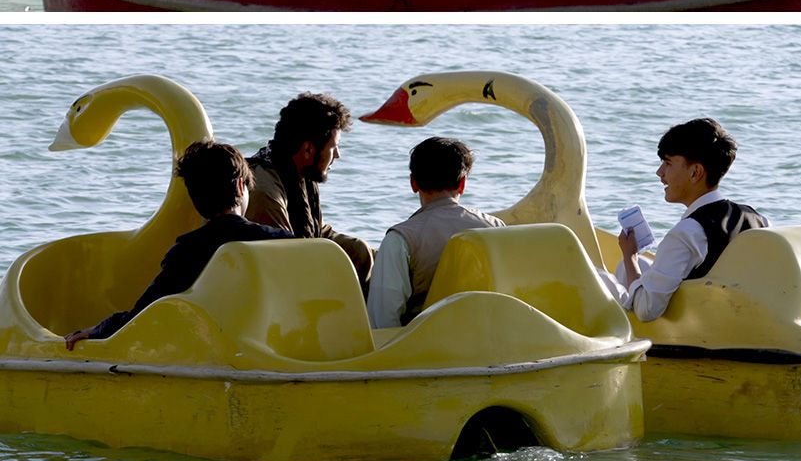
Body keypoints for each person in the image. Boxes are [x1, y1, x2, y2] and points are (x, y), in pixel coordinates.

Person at [65, 140, 298, 350]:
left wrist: (97, 331)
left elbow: (144, 314)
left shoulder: (188, 251)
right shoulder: (285, 244)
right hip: (281, 347)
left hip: (215, 352)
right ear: (240, 186)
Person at [608, 118, 768, 322]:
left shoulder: (686, 233)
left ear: (695, 172)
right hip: (732, 317)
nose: (660, 173)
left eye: (667, 163)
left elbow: (646, 309)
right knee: (635, 265)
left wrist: (629, 256)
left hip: (695, 327)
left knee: (603, 276)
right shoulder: (757, 218)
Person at [366, 137, 504, 329]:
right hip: (487, 339)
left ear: (413, 183)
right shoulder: (495, 228)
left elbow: (382, 319)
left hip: (425, 350)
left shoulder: (400, 238)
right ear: (462, 183)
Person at [245, 92, 373, 292]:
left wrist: (371, 254)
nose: (337, 156)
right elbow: (287, 259)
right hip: (272, 288)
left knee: (359, 250)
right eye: (334, 148)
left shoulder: (299, 174)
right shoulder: (265, 193)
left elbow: (315, 231)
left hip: (295, 266)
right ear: (307, 150)